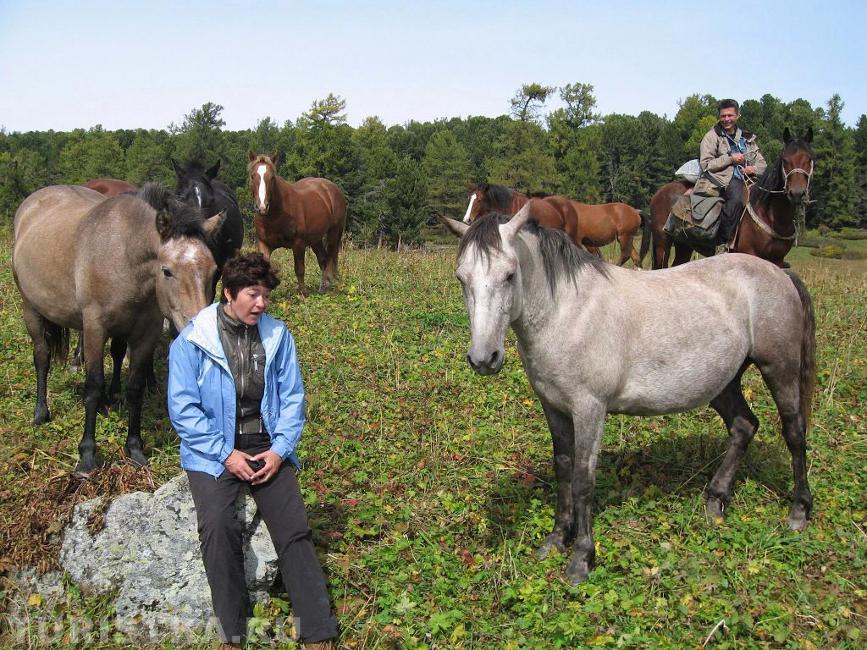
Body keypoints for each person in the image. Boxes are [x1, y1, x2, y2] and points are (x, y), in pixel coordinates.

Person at [168, 252, 337, 650]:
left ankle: (317, 631)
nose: (261, 304)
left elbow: (293, 400)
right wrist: (226, 454)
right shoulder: (192, 340)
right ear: (228, 294)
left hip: (265, 443)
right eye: (252, 294)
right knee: (217, 528)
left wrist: (278, 451)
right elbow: (183, 409)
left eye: (265, 296)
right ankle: (233, 632)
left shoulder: (278, 336)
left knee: (294, 531)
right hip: (212, 449)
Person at [699, 98, 767, 253]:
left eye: (730, 115)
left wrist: (753, 169)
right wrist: (730, 159)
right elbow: (706, 164)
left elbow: (762, 164)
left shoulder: (747, 139)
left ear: (738, 116)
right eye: (723, 116)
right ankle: (723, 243)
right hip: (724, 178)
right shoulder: (712, 136)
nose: (726, 119)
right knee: (736, 199)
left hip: (750, 179)